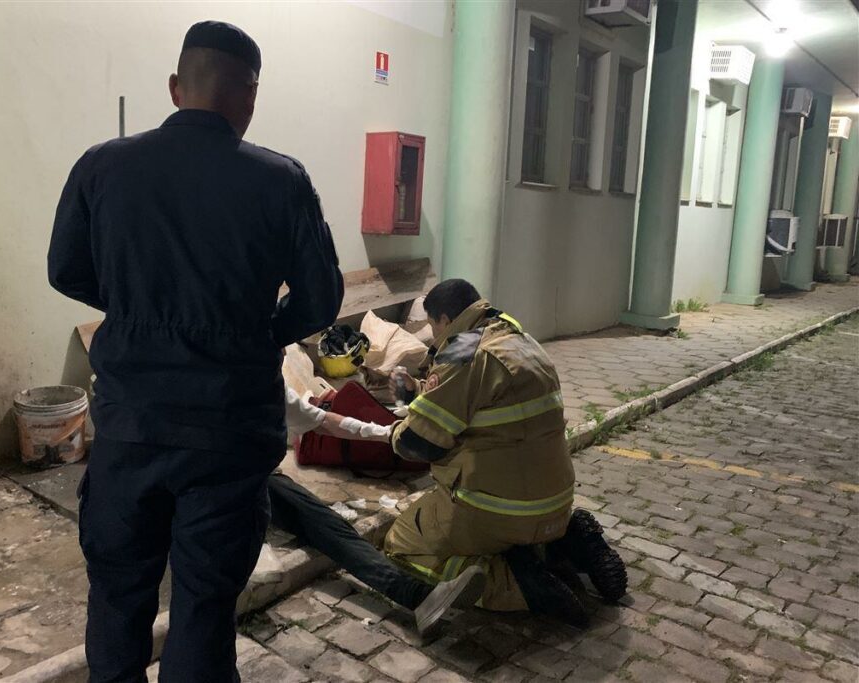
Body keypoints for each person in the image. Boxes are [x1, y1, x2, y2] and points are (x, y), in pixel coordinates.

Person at [48, 21, 343, 683]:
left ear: (176, 87)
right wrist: (261, 331)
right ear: (250, 97)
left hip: (131, 430)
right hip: (229, 434)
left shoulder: (103, 166)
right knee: (205, 607)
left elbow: (66, 270)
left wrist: (133, 307)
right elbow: (321, 300)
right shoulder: (281, 181)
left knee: (119, 596)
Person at [384, 279, 627, 626]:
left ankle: (518, 586)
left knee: (402, 542)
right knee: (520, 524)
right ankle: (563, 547)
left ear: (443, 318)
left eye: (432, 327)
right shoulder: (520, 340)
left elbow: (421, 443)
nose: (434, 337)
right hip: (556, 502)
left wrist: (391, 432)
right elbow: (478, 398)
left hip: (496, 511)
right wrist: (418, 391)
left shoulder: (462, 348)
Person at [271, 386, 487, 635]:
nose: (284, 353)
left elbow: (323, 421)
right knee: (327, 528)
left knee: (331, 527)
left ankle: (422, 598)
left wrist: (388, 433)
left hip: (256, 477)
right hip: (237, 487)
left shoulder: (263, 377)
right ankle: (416, 595)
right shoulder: (231, 376)